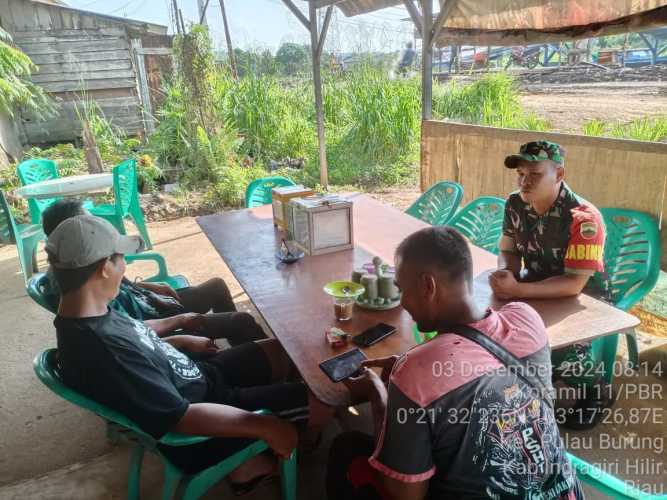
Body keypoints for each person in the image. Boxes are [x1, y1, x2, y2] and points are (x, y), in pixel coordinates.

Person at [48, 215, 333, 493]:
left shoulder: (89, 313)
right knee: (328, 398)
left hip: (202, 377)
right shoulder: (102, 352)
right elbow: (182, 419)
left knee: (281, 350)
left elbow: (136, 334)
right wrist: (265, 425)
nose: (125, 266)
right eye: (121, 258)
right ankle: (266, 453)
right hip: (204, 421)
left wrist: (181, 333)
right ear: (104, 268)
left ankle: (268, 448)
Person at [327, 226, 582, 500]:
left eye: (402, 290)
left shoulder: (416, 372)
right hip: (565, 492)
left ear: (428, 286)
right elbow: (481, 364)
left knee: (346, 446)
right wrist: (410, 372)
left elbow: (404, 495)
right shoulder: (527, 319)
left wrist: (378, 395)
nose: (402, 302)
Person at [490, 140, 610, 429]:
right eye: (520, 173)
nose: (524, 181)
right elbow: (508, 249)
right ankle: (534, 384)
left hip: (586, 299)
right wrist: (508, 273)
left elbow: (573, 285)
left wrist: (518, 290)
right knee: (496, 329)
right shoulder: (515, 203)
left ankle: (598, 391)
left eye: (534, 174)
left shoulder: (583, 218)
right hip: (535, 284)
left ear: (558, 175)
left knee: (562, 352)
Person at [42, 199, 265, 346]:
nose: (96, 223)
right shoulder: (85, 288)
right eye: (90, 221)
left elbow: (124, 290)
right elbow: (131, 334)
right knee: (242, 321)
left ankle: (243, 348)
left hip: (149, 307)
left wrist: (151, 289)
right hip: (154, 323)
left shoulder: (75, 265)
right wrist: (178, 331)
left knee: (217, 286)